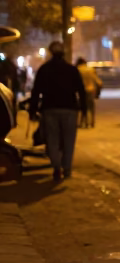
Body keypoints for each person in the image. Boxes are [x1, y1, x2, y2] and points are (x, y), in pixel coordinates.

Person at [29, 41, 86, 181]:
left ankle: (56, 167)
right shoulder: (72, 70)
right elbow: (81, 91)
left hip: (49, 109)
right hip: (70, 109)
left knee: (52, 140)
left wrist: (33, 110)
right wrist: (84, 109)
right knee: (68, 140)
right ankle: (66, 169)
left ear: (51, 52)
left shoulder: (44, 69)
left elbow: (36, 92)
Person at [76, 57, 102, 128]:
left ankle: (82, 122)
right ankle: (91, 122)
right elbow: (99, 82)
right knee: (91, 107)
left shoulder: (77, 69)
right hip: (91, 90)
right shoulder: (91, 69)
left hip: (81, 92)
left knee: (82, 107)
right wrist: (98, 92)